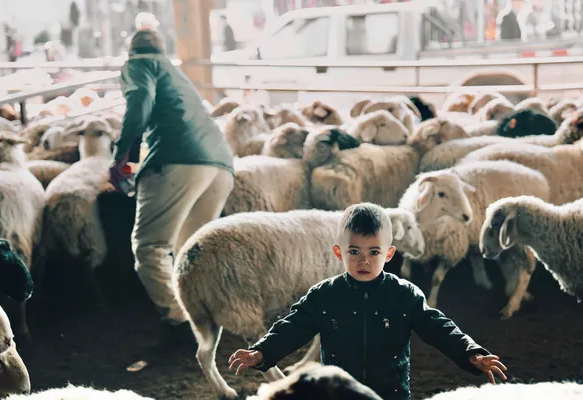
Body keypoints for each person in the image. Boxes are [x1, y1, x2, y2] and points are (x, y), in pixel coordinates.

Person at [228, 203, 507, 400]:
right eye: (354, 251)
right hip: (340, 395)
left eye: (374, 252)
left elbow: (440, 328)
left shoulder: (403, 295)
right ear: (339, 252)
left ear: (389, 254)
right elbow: (292, 327)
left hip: (390, 395)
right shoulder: (325, 295)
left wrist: (470, 352)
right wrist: (261, 352)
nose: (364, 260)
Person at [109, 27, 235, 352]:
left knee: (149, 247)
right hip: (219, 162)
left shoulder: (140, 64)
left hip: (175, 159)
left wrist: (122, 154)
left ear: (131, 51)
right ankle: (210, 319)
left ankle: (179, 325)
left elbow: (139, 102)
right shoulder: (173, 71)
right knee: (192, 249)